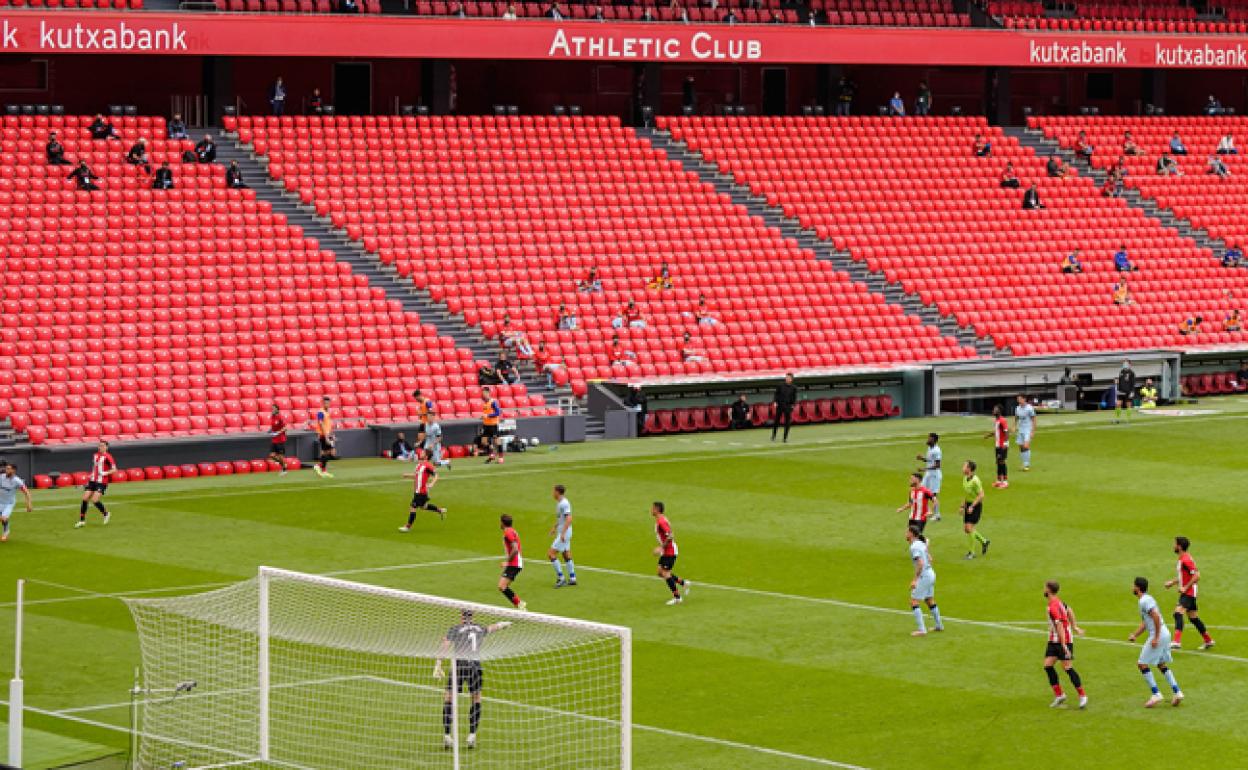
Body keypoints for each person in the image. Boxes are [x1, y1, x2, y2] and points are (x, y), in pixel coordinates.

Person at [434, 609, 512, 751]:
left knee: (449, 697)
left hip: (459, 665)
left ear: (461, 617)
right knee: (476, 699)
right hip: (475, 666)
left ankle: (447, 735)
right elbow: (492, 628)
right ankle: (472, 735)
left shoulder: (455, 629)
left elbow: (445, 645)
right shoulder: (479, 628)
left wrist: (438, 663)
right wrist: (503, 624)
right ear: (472, 616)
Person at [1128, 577, 1183, 708]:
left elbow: (1156, 617)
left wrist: (1156, 637)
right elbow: (1146, 623)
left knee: (1142, 664)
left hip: (1159, 635)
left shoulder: (1144, 601)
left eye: (1133, 585)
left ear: (1138, 588)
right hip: (1165, 633)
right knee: (1160, 664)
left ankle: (1156, 694)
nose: (1132, 587)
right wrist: (1135, 635)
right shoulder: (1147, 599)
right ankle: (1177, 692)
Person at [1042, 580, 1087, 709]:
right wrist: (1075, 626)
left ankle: (1082, 695)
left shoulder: (1053, 606)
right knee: (1048, 665)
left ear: (1049, 590)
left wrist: (1063, 644)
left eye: (1045, 587)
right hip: (1053, 640)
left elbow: (1060, 626)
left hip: (1064, 640)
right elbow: (1069, 610)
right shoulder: (1058, 602)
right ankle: (1060, 695)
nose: (1043, 589)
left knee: (1067, 667)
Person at [1164, 537, 1215, 650]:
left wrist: (1185, 588)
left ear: (1179, 546)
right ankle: (1208, 640)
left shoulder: (1186, 560)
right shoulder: (1182, 558)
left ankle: (1176, 641)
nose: (1173, 546)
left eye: (1175, 544)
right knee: (1193, 618)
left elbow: (1197, 576)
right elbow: (1184, 576)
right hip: (1189, 592)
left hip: (1189, 592)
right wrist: (1172, 583)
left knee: (1178, 613)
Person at [906, 525, 943, 637]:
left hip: (924, 576)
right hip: (931, 573)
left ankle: (922, 630)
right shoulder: (921, 543)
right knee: (929, 600)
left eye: (907, 532)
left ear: (911, 534)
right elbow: (930, 558)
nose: (905, 534)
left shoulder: (914, 547)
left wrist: (915, 580)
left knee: (914, 602)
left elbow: (920, 564)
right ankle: (939, 625)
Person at [652, 502, 690, 605]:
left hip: (670, 551)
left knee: (665, 573)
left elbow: (670, 536)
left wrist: (661, 547)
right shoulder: (661, 519)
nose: (651, 510)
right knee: (660, 572)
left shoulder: (661, 521)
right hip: (666, 551)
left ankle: (677, 598)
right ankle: (683, 583)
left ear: (657, 509)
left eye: (653, 508)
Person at [399, 449, 447, 531]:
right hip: (418, 490)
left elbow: (436, 475)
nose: (420, 453)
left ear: (426, 456)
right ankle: (439, 510)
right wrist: (407, 476)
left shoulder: (428, 465)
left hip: (421, 491)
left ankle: (408, 527)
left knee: (413, 507)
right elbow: (416, 476)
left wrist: (432, 484)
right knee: (423, 506)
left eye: (423, 452)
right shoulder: (419, 465)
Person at [76, 440, 115, 528]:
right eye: (99, 446)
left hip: (102, 482)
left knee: (94, 500)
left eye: (102, 446)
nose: (100, 447)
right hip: (92, 480)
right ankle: (82, 521)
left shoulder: (108, 457)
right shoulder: (95, 455)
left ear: (106, 447)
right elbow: (95, 468)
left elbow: (114, 469)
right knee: (85, 498)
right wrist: (90, 476)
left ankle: (106, 514)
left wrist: (105, 473)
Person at [547, 484, 576, 588]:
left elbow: (569, 519)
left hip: (565, 533)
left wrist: (563, 533)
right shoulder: (560, 503)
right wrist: (555, 527)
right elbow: (561, 519)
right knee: (566, 554)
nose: (552, 493)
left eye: (553, 491)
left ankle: (561, 578)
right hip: (564, 532)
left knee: (551, 554)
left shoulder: (564, 504)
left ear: (557, 492)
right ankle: (572, 578)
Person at [960, 460, 990, 559]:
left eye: (964, 466)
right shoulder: (965, 478)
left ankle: (972, 553)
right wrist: (962, 506)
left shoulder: (975, 481)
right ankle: (984, 541)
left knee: (969, 527)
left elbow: (981, 495)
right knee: (966, 529)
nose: (962, 467)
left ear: (969, 469)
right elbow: (966, 494)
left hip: (975, 506)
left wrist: (972, 506)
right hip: (968, 505)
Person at [498, 514, 526, 610]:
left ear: (502, 523)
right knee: (503, 586)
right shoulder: (511, 531)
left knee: (502, 586)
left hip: (514, 563)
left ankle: (520, 604)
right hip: (516, 563)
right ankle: (520, 605)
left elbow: (515, 549)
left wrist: (507, 562)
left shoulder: (508, 532)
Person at [0, 462, 32, 542]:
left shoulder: (17, 481)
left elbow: (27, 492)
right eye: (6, 468)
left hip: (9, 503)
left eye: (8, 469)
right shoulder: (1, 477)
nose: (6, 470)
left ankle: (6, 533)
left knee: (3, 518)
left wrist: (29, 505)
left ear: (13, 470)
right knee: (3, 519)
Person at [917, 432, 943, 522]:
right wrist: (922, 458)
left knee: (933, 495)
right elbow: (930, 460)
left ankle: (937, 515)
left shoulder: (937, 450)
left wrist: (924, 469)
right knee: (922, 490)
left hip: (934, 475)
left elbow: (937, 465)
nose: (927, 439)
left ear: (934, 440)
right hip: (928, 474)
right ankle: (927, 511)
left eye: (929, 438)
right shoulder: (929, 448)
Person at [770, 372, 797, 443]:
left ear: (791, 379)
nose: (787, 378)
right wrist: (775, 402)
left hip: (788, 406)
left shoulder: (794, 388)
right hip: (780, 405)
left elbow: (794, 397)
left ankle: (785, 438)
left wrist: (793, 405)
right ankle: (773, 436)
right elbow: (776, 394)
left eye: (789, 378)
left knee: (787, 422)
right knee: (776, 421)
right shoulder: (780, 385)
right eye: (786, 377)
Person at [987, 405, 1009, 489]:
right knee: (998, 462)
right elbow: (997, 432)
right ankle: (999, 481)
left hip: (1002, 445)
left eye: (995, 409)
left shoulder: (1002, 420)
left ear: (999, 411)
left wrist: (1005, 444)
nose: (993, 411)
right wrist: (989, 435)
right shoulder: (997, 420)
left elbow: (1006, 432)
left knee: (1002, 462)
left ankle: (1005, 482)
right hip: (997, 445)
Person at [314, 396, 336, 478]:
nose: (327, 404)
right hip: (324, 435)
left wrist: (332, 434)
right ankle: (318, 466)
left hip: (328, 434)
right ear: (323, 403)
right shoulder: (321, 412)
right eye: (325, 403)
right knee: (331, 452)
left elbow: (328, 424)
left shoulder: (327, 412)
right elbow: (321, 423)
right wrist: (326, 436)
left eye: (328, 403)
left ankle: (323, 470)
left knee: (327, 453)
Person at [1014, 394, 1036, 472]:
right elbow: (1016, 418)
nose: (1018, 400)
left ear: (1024, 399)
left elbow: (1034, 420)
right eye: (1018, 399)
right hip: (1020, 429)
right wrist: (1014, 426)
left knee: (1026, 446)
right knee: (1021, 447)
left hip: (1027, 429)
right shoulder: (1017, 408)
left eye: (1020, 399)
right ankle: (1024, 463)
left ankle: (1027, 465)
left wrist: (1033, 431)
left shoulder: (1029, 408)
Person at [480, 388, 502, 464]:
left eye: (485, 393)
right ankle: (492, 454)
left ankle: (501, 458)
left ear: (488, 393)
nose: (483, 395)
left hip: (493, 425)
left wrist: (488, 415)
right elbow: (486, 413)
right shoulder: (484, 403)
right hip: (486, 425)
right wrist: (483, 417)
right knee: (484, 441)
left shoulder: (493, 402)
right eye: (483, 393)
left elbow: (498, 412)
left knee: (497, 441)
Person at [268, 404, 289, 475]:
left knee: (280, 456)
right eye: (272, 408)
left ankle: (284, 470)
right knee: (272, 456)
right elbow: (273, 426)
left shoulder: (280, 417)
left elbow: (285, 428)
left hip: (280, 439)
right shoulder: (272, 416)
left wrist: (278, 432)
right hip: (274, 439)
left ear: (277, 409)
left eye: (273, 408)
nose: (272, 410)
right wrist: (270, 430)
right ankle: (284, 465)